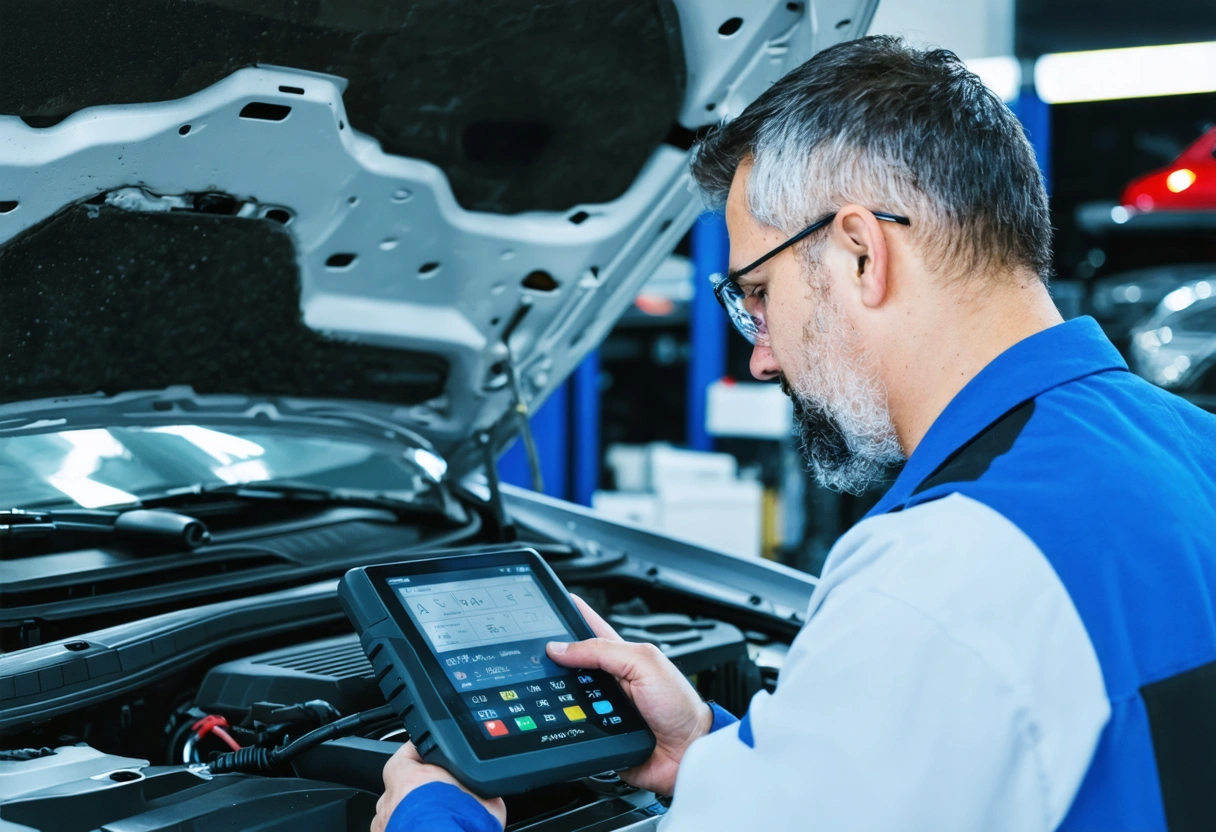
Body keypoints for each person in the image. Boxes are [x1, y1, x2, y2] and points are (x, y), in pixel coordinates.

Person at [372, 36, 1216, 832]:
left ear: (860, 253)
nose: (762, 356)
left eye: (759, 293)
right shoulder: (1188, 447)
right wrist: (706, 746)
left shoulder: (947, 570)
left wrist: (432, 817)